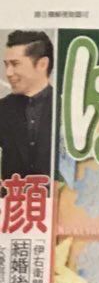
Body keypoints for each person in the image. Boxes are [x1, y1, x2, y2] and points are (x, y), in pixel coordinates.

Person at [0, 30, 53, 180]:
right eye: (6, 65)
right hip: (12, 193)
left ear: (42, 64)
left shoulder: (64, 107)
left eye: (15, 64)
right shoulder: (3, 108)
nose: (8, 73)